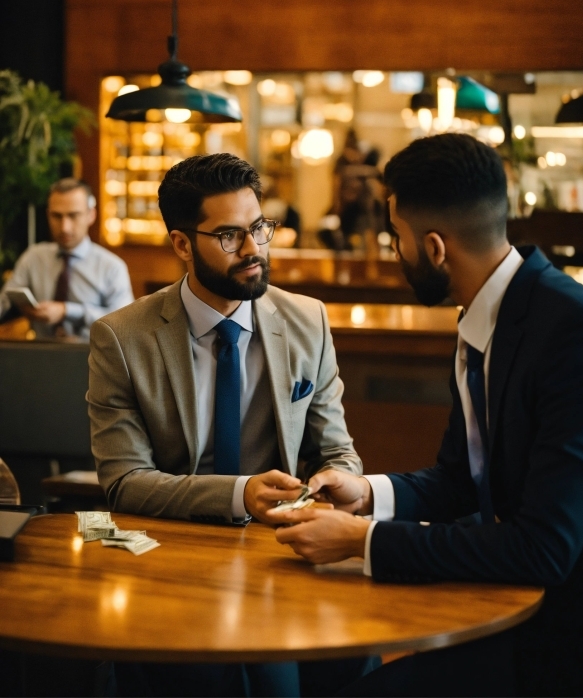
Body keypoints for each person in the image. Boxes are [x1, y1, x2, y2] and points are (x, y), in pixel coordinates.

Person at [270, 133, 583, 697]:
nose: (394, 251)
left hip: (565, 640)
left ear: (436, 248)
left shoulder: (575, 331)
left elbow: (544, 548)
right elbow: (458, 479)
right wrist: (366, 493)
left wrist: (361, 540)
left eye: (397, 238)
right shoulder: (482, 317)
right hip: (503, 607)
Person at [88, 153, 372, 697]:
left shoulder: (307, 320)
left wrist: (341, 481)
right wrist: (242, 495)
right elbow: (122, 482)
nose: (253, 251)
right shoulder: (121, 338)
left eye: (259, 228)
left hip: (283, 554)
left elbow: (338, 453)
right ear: (181, 244)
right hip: (172, 559)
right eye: (229, 236)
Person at [0, 177, 133, 340]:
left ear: (91, 215)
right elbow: (5, 299)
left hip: (93, 359)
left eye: (73, 216)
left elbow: (126, 324)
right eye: (57, 216)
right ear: (48, 215)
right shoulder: (34, 257)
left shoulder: (112, 267)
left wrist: (66, 311)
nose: (64, 227)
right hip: (38, 356)